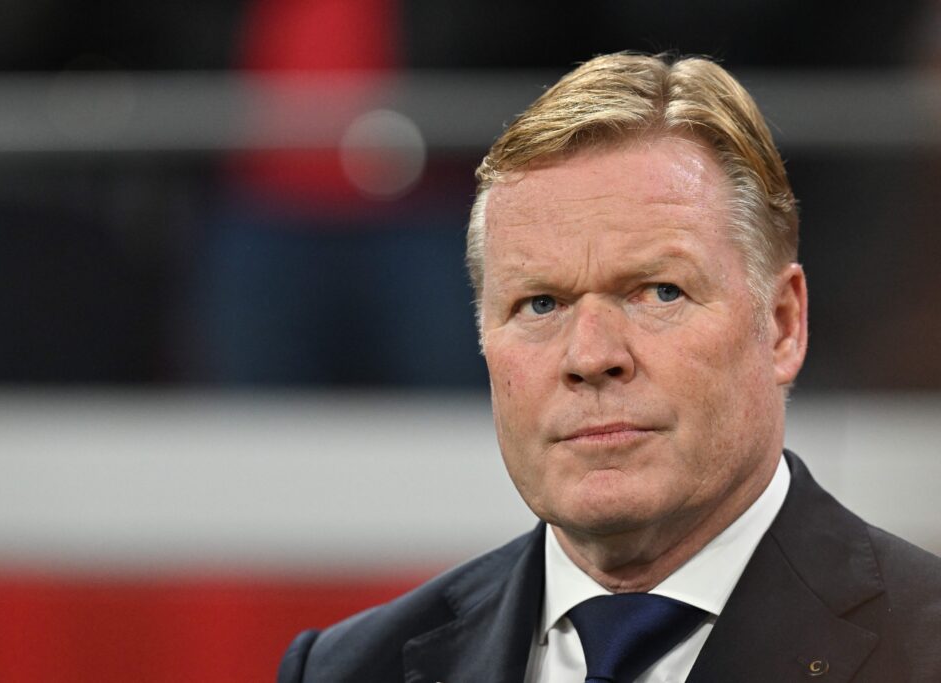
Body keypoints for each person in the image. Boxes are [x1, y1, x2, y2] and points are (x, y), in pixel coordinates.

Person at [276, 52, 941, 682]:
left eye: (658, 292)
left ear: (783, 326)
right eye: (541, 302)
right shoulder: (350, 668)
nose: (592, 356)